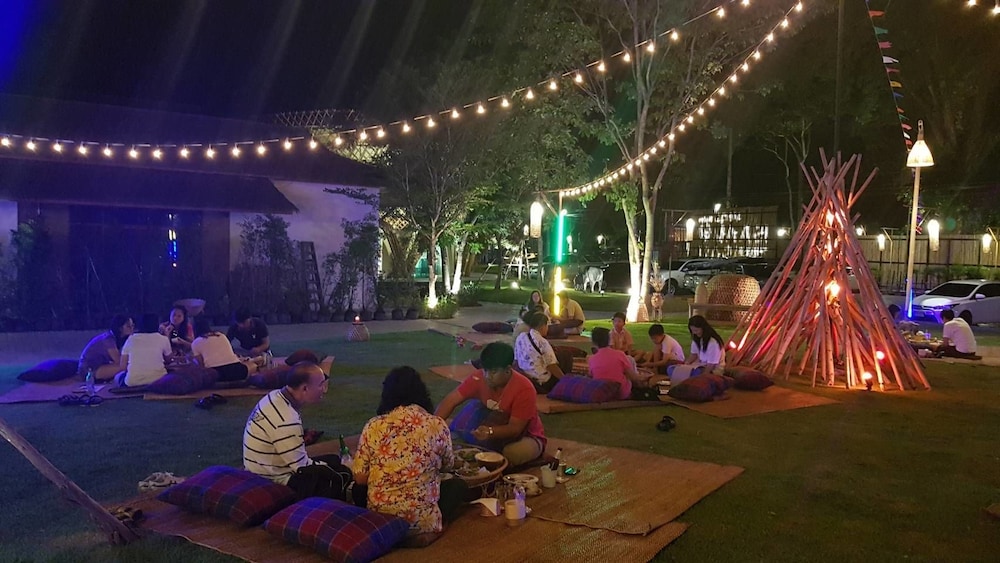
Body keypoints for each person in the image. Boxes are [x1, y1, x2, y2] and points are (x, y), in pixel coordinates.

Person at [353, 366, 467, 540]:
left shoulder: (373, 426)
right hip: (423, 521)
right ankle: (424, 530)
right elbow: (447, 466)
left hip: (382, 523)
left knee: (357, 489)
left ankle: (387, 532)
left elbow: (360, 478)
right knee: (458, 486)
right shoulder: (436, 424)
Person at [243, 362, 355, 501]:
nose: (324, 390)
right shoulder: (286, 419)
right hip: (273, 478)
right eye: (320, 385)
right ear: (305, 388)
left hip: (262, 467)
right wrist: (342, 469)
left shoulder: (275, 396)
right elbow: (301, 466)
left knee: (334, 460)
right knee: (342, 474)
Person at [435, 342, 546, 467]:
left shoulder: (524, 388)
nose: (487, 376)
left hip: (526, 435)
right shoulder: (478, 378)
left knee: (510, 455)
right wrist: (432, 426)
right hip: (493, 428)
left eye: (493, 372)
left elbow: (515, 429)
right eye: (485, 370)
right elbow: (451, 400)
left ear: (508, 370)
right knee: (454, 442)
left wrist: (491, 432)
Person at [191, 317, 258, 382]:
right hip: (236, 370)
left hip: (215, 374)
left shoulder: (195, 342)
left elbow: (200, 365)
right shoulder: (221, 335)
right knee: (253, 365)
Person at [513, 312, 565, 393]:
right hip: (541, 381)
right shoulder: (542, 342)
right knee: (564, 358)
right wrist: (564, 379)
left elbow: (516, 359)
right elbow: (551, 366)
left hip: (525, 376)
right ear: (543, 326)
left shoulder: (521, 337)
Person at [588, 327, 645, 400]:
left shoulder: (592, 359)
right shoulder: (620, 354)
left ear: (593, 342)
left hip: (601, 392)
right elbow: (633, 377)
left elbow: (592, 376)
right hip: (620, 393)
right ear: (609, 340)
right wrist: (642, 378)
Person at [118, 313, 172, 387]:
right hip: (159, 380)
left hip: (133, 382)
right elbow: (169, 359)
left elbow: (123, 366)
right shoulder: (163, 338)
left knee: (118, 377)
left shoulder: (131, 339)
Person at [78, 314, 133, 381]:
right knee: (124, 367)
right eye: (128, 326)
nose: (132, 329)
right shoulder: (108, 339)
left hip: (100, 366)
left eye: (132, 326)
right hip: (89, 369)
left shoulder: (117, 340)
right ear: (120, 328)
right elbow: (119, 360)